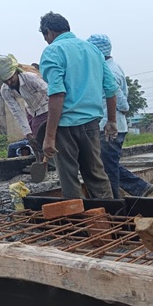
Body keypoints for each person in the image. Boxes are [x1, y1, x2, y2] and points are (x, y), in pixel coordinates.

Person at [38, 12, 118, 199]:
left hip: (65, 126)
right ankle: (110, 214)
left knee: (69, 178)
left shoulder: (53, 51)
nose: (46, 41)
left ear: (48, 32)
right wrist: (112, 121)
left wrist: (49, 137)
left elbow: (57, 94)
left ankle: (76, 216)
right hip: (91, 124)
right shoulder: (93, 50)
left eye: (45, 36)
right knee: (96, 175)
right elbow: (110, 88)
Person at [86, 34, 153, 199]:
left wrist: (117, 114)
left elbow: (122, 102)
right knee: (107, 163)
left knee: (107, 166)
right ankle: (140, 188)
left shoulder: (109, 71)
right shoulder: (113, 67)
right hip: (110, 124)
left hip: (109, 126)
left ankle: (115, 202)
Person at [0, 54, 48, 153]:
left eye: (10, 78)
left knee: (40, 138)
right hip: (31, 111)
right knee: (33, 141)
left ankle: (47, 158)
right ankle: (40, 159)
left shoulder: (31, 78)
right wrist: (27, 133)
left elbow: (49, 92)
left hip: (46, 107)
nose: (9, 82)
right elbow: (17, 111)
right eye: (5, 81)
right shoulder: (5, 90)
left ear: (16, 72)